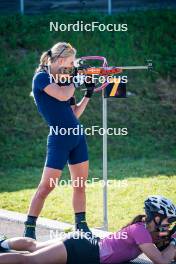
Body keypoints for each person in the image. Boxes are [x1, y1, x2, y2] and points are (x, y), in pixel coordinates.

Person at [24, 42, 95, 239]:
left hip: (77, 137)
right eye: (71, 62)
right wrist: (75, 79)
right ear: (61, 60)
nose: (72, 66)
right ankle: (29, 228)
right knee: (47, 186)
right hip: (59, 139)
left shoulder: (64, 80)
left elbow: (74, 113)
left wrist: (88, 93)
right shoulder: (41, 78)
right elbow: (64, 94)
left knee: (80, 184)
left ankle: (81, 226)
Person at [1, 195, 176, 264]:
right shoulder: (140, 231)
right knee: (29, 261)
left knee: (32, 246)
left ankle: (3, 242)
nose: (170, 223)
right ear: (156, 216)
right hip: (84, 250)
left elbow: (166, 253)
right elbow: (161, 261)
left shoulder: (147, 231)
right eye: (170, 219)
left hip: (85, 246)